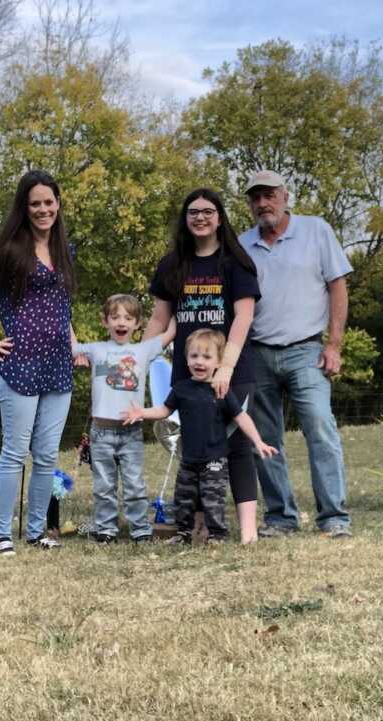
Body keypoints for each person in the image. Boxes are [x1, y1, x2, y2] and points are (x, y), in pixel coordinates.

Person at [0, 170, 77, 554]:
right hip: (19, 365)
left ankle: (37, 531)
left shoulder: (65, 251)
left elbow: (61, 307)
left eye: (49, 202)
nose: (43, 209)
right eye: (35, 203)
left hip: (58, 367)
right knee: (15, 452)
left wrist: (74, 343)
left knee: (46, 456)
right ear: (24, 209)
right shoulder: (10, 250)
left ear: (58, 204)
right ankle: (1, 536)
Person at [238, 169, 353, 539]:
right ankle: (281, 518)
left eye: (269, 195)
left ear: (285, 196)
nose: (262, 203)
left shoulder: (317, 230)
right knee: (264, 437)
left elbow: (338, 287)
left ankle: (334, 517)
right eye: (255, 197)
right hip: (257, 352)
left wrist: (334, 344)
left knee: (320, 428)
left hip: (307, 350)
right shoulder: (241, 245)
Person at [144, 188, 262, 543]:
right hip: (188, 372)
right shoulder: (171, 264)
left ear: (219, 217)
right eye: (192, 211)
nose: (199, 217)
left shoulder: (236, 262)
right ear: (185, 218)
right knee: (192, 449)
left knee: (238, 447)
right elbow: (159, 319)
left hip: (233, 372)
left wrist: (225, 367)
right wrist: (135, 359)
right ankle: (198, 526)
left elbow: (244, 316)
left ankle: (248, 531)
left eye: (207, 211)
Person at [123, 329, 277, 545]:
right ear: (186, 359)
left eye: (206, 357)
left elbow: (242, 418)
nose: (199, 362)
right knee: (183, 500)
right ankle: (184, 534)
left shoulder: (221, 390)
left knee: (212, 501)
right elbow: (164, 411)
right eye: (194, 356)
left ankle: (217, 536)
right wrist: (142, 413)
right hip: (189, 460)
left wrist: (258, 441)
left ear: (218, 362)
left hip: (214, 461)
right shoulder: (181, 388)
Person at [73, 294, 176, 544]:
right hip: (101, 432)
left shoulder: (144, 350)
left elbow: (172, 330)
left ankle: (140, 530)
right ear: (105, 322)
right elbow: (71, 348)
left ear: (138, 324)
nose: (122, 322)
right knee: (104, 486)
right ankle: (107, 529)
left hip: (131, 433)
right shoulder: (96, 349)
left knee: (134, 485)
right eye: (115, 317)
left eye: (128, 318)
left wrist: (177, 296)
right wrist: (62, 309)